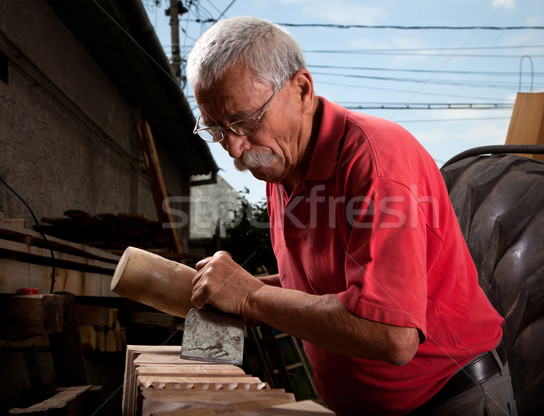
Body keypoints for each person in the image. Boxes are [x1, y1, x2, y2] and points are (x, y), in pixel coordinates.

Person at [186, 16, 516, 416]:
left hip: (453, 401)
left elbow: (393, 336)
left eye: (245, 121)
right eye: (218, 128)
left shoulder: (375, 160)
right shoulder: (280, 164)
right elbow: (325, 286)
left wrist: (251, 296)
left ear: (302, 90)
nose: (235, 148)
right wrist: (239, 292)